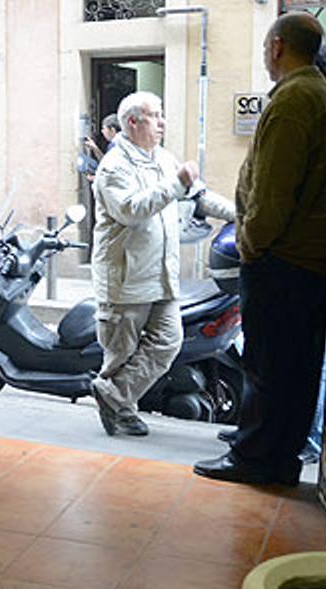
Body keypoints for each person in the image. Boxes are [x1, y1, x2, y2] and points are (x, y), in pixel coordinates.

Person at [194, 13, 326, 485]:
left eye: (264, 48)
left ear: (278, 47)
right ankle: (277, 457)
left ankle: (255, 458)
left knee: (268, 366)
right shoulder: (321, 96)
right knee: (296, 368)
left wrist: (250, 246)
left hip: (283, 261)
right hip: (309, 261)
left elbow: (273, 193)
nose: (263, 55)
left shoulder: (295, 100)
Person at [89, 91, 235, 436]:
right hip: (126, 278)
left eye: (162, 114)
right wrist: (175, 184)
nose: (162, 122)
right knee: (120, 354)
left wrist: (243, 216)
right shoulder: (113, 167)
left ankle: (112, 395)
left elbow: (200, 197)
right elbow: (131, 209)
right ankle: (122, 410)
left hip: (162, 276)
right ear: (132, 123)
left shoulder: (164, 159)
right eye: (154, 116)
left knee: (169, 341)